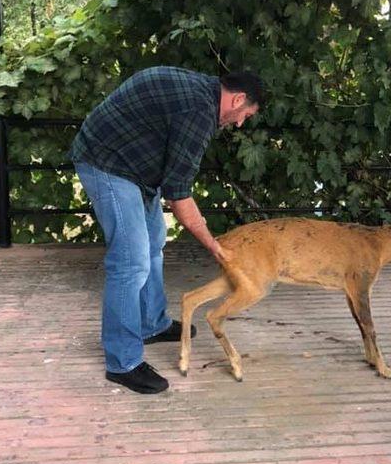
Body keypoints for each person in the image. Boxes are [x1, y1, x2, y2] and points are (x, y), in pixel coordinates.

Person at [70, 66, 264, 394]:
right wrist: (214, 246)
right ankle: (123, 362)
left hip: (135, 168)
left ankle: (151, 323)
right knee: (130, 264)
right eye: (246, 114)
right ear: (238, 99)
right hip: (106, 163)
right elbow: (179, 194)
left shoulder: (201, 93)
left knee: (154, 243)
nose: (241, 122)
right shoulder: (199, 112)